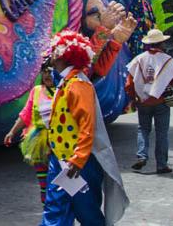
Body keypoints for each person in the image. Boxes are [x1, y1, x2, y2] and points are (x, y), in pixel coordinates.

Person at [40, 31, 128, 226]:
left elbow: (87, 126)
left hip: (78, 163)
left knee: (87, 212)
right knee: (55, 210)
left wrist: (78, 160)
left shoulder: (78, 85)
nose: (51, 53)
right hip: (60, 159)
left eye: (55, 50)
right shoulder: (64, 81)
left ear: (65, 54)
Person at [126, 28, 173, 174]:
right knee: (161, 133)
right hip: (161, 101)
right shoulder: (167, 60)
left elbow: (128, 84)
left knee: (143, 129)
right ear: (161, 43)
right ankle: (161, 165)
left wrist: (135, 98)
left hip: (143, 102)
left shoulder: (139, 59)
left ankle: (141, 156)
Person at [5, 60, 56, 204]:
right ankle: (48, 210)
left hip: (59, 141)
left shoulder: (64, 90)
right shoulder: (37, 90)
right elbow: (26, 114)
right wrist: (12, 132)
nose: (47, 75)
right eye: (44, 71)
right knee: (44, 183)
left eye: (51, 71)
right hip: (38, 141)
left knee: (58, 179)